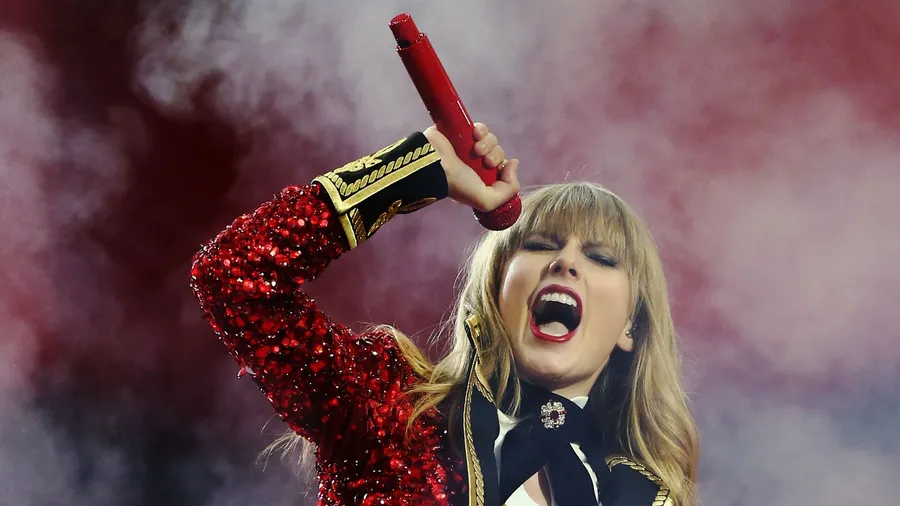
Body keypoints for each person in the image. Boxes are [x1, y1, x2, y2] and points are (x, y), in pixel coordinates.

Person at [190, 123, 700, 506]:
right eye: (541, 245)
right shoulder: (391, 409)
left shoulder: (644, 497)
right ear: (496, 289)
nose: (565, 263)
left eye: (601, 258)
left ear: (632, 326)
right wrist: (411, 171)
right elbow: (233, 276)